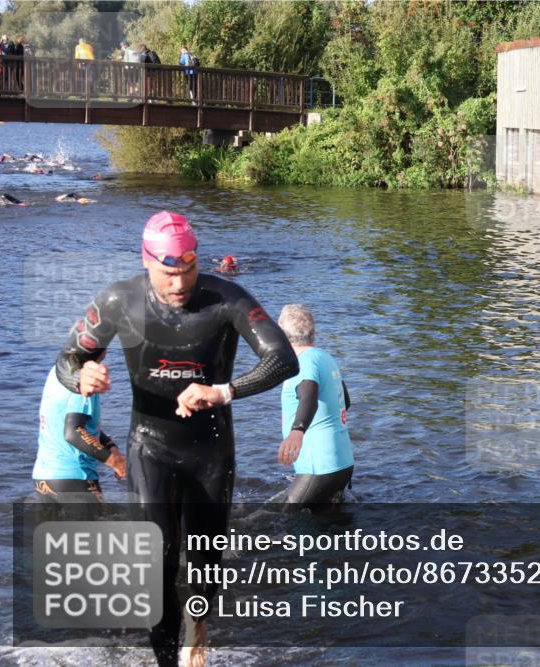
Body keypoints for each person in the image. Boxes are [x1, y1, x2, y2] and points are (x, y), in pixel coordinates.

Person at [56, 211, 298, 667]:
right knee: (157, 564)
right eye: (169, 273)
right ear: (147, 262)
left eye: (188, 269)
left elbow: (284, 359)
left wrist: (223, 391)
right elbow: (68, 356)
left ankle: (199, 622)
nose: (181, 283)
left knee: (205, 561)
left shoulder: (225, 297)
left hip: (210, 447)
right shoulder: (117, 301)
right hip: (150, 446)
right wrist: (80, 374)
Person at [276, 305, 354, 508]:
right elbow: (345, 401)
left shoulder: (303, 363)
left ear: (282, 337)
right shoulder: (325, 357)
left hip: (319, 466)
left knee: (275, 520)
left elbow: (308, 393)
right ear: (313, 332)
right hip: (342, 463)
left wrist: (297, 431)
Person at [33, 350, 127, 512]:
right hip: (75, 479)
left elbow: (83, 426)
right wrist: (116, 463)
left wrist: (111, 446)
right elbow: (73, 433)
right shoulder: (86, 382)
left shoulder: (58, 373)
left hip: (43, 478)